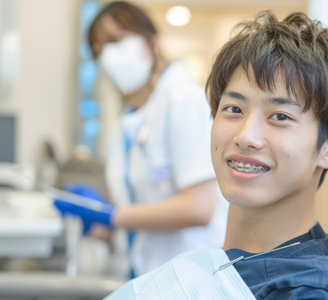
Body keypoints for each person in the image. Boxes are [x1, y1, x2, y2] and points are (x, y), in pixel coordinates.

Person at [104, 9, 328, 299]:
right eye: (233, 110)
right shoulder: (228, 265)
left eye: (279, 116)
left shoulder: (308, 289)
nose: (245, 137)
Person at [53, 1, 227, 278]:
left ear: (153, 43)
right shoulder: (131, 119)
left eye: (116, 41)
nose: (108, 55)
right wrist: (101, 225)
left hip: (191, 279)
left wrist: (111, 214)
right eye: (99, 49)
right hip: (146, 275)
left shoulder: (183, 100)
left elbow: (199, 207)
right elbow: (142, 212)